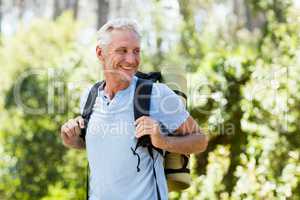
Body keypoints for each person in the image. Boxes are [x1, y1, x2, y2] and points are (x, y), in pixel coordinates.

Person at [60, 18, 208, 200]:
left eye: (136, 51)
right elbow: (107, 148)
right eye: (122, 51)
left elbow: (200, 140)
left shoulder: (156, 95)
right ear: (100, 53)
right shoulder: (89, 97)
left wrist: (163, 142)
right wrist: (72, 140)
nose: (131, 60)